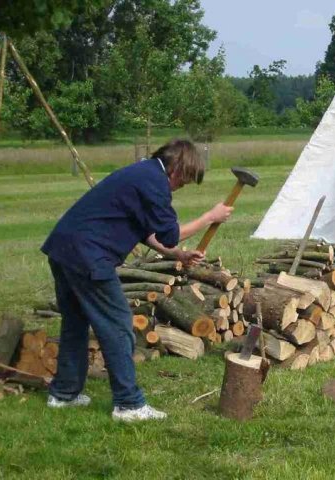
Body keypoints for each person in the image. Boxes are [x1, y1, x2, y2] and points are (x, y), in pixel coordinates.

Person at [41, 139, 233, 421]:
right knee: (118, 326)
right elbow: (170, 233)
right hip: (88, 255)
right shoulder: (154, 183)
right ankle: (128, 404)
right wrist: (209, 217)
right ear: (177, 169)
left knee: (75, 323)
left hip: (63, 249)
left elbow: (147, 232)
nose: (182, 186)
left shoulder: (142, 173)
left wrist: (177, 254)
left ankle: (64, 394)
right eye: (186, 180)